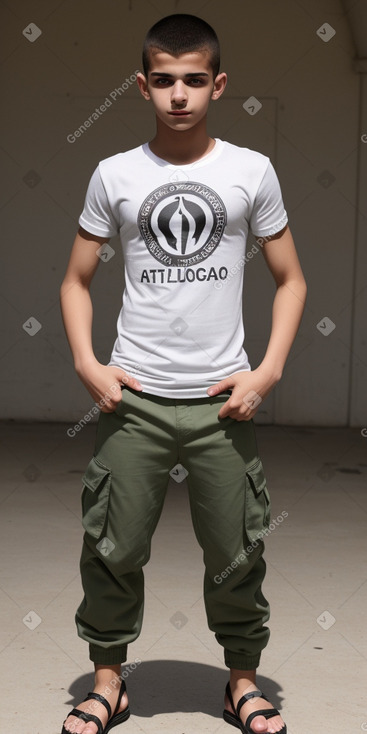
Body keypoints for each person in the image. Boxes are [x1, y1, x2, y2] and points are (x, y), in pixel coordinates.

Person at [60, 13, 306, 734]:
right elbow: (76, 280)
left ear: (217, 85)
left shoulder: (250, 171)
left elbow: (290, 280)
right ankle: (108, 683)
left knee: (236, 552)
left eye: (193, 80)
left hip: (222, 402)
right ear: (142, 86)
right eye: (163, 80)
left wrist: (265, 372)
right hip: (131, 398)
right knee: (111, 547)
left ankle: (240, 682)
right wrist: (86, 363)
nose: (178, 95)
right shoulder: (115, 174)